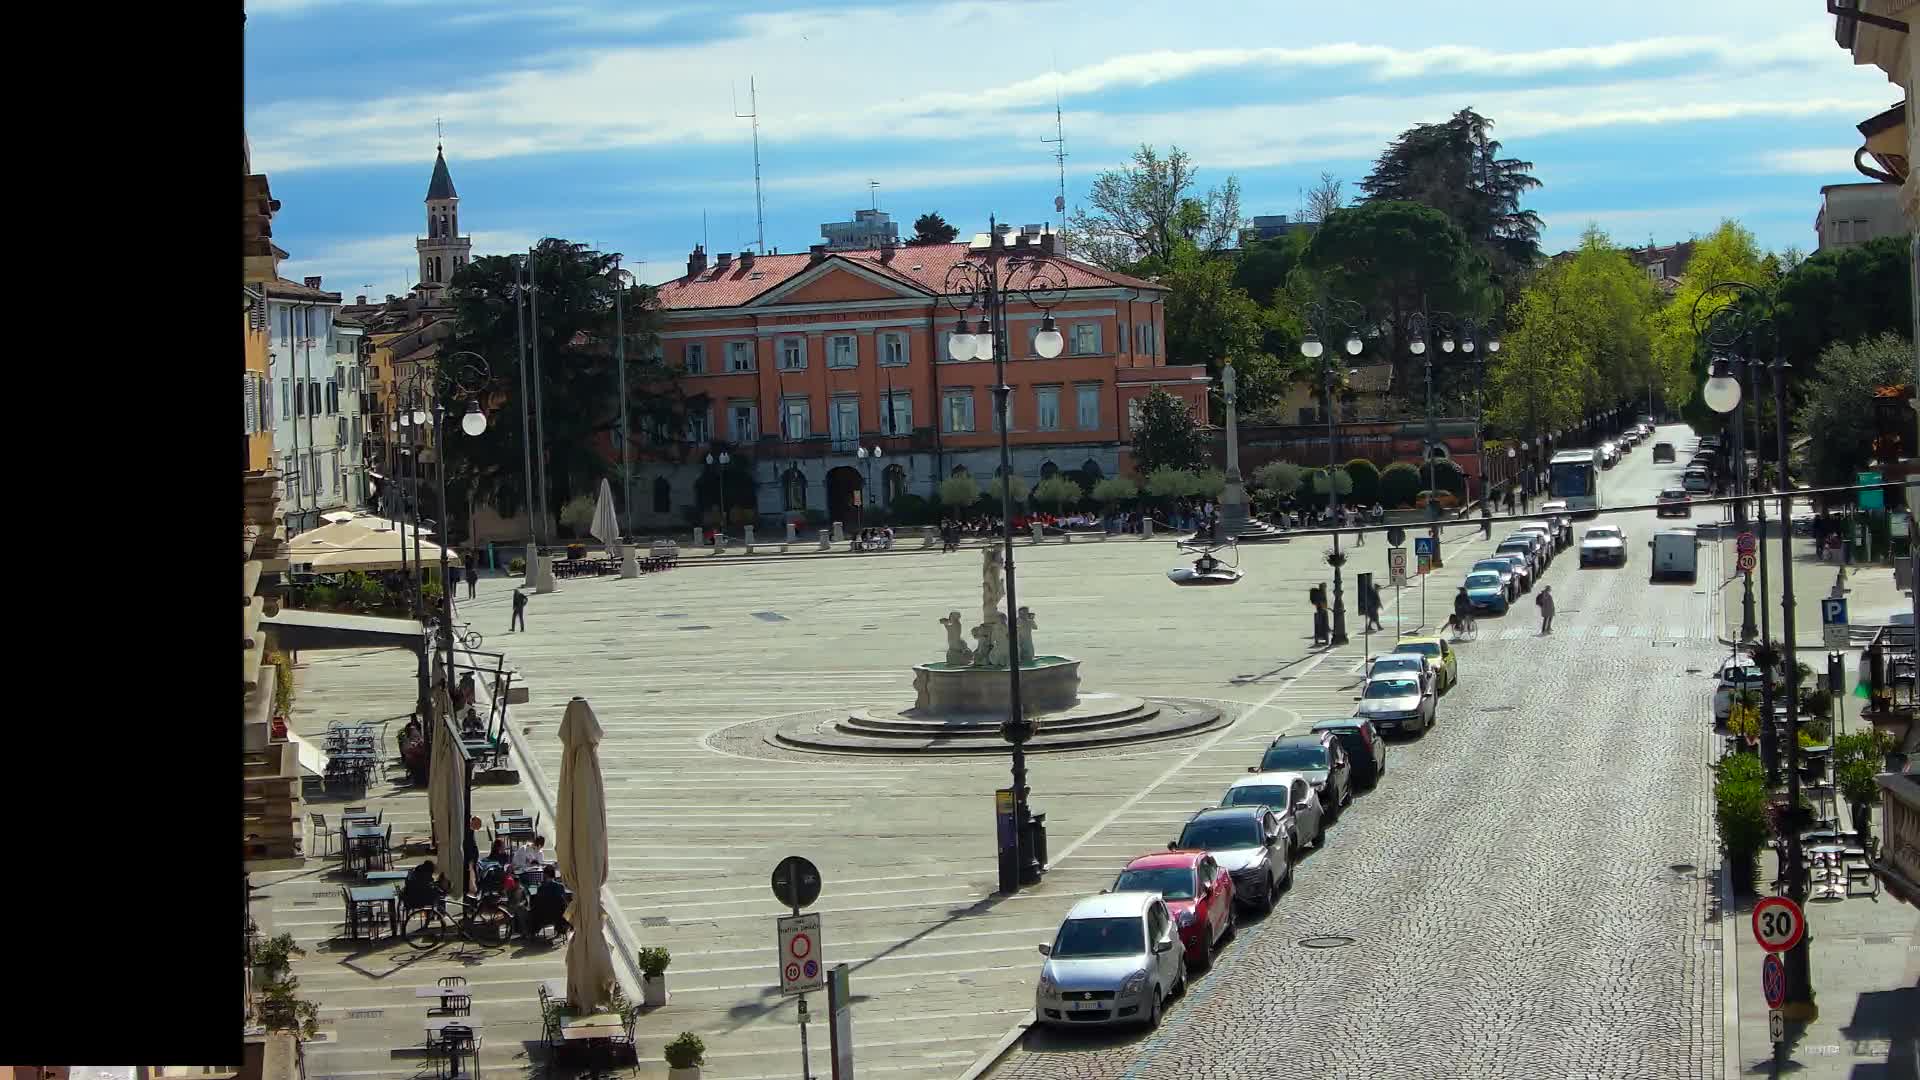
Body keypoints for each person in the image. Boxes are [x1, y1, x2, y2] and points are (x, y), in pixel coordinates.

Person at [527, 874, 574, 942]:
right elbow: (564, 903)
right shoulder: (560, 887)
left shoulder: (540, 888)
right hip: (558, 917)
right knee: (563, 913)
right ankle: (560, 932)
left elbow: (535, 904)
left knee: (533, 914)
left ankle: (532, 933)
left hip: (544, 917)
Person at [463, 816, 482, 898]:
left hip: (471, 860)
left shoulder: (470, 831)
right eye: (478, 824)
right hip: (470, 859)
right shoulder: (468, 831)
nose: (479, 827)